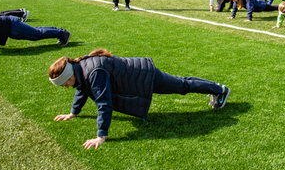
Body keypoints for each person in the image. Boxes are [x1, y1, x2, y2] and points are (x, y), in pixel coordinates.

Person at [49, 48, 230, 149]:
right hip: (140, 76)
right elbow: (82, 89)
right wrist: (73, 113)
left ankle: (220, 90)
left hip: (146, 76)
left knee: (182, 85)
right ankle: (217, 89)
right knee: (182, 84)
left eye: (64, 83)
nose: (66, 87)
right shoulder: (80, 69)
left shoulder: (94, 72)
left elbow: (104, 104)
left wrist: (101, 135)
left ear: (69, 75)